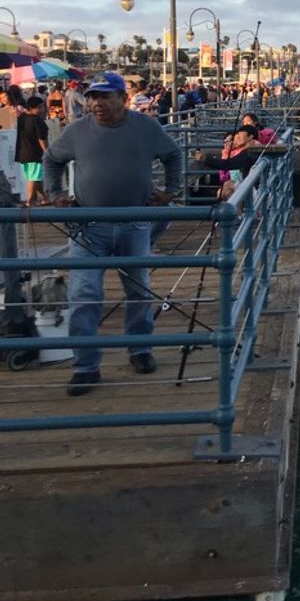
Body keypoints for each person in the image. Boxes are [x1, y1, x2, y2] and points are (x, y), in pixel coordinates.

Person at [43, 72, 182, 397]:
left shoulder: (146, 127)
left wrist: (170, 191)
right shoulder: (76, 130)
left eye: (105, 96)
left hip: (135, 223)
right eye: (93, 97)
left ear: (123, 98)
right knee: (84, 294)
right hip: (89, 228)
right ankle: (85, 366)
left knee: (139, 291)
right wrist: (55, 194)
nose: (97, 103)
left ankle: (139, 349)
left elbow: (173, 155)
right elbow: (51, 160)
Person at [15, 96, 49, 205]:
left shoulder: (21, 118)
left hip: (22, 152)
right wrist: (47, 152)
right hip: (35, 153)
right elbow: (42, 140)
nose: (42, 109)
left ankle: (45, 197)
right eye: (39, 107)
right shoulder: (38, 121)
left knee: (35, 177)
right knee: (33, 177)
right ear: (31, 108)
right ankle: (29, 201)